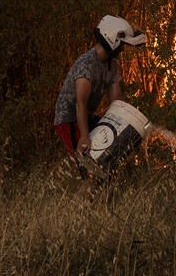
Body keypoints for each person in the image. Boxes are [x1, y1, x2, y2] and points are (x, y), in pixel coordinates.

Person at [53, 15, 145, 165]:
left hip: (86, 116)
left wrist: (129, 120)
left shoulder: (112, 66)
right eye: (121, 44)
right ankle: (79, 183)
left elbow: (117, 100)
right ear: (112, 39)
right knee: (84, 163)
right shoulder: (87, 64)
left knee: (108, 157)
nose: (122, 49)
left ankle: (101, 185)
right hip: (68, 118)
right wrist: (84, 136)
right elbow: (80, 103)